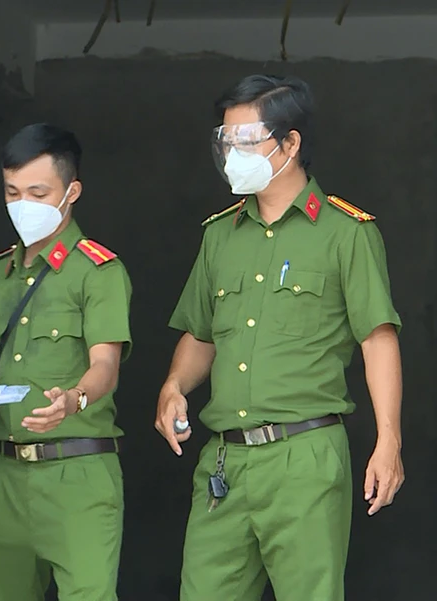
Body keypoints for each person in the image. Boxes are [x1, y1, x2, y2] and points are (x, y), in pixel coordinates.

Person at [155, 74, 405, 601]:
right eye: (226, 141)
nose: (233, 154)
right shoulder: (219, 235)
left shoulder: (346, 232)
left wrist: (389, 440)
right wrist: (174, 385)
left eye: (247, 140)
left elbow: (377, 339)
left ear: (290, 144)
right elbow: (201, 334)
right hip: (225, 461)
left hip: (304, 456)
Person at [0, 123, 133, 601]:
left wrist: (74, 399)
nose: (23, 205)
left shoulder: (98, 271)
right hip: (5, 474)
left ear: (71, 192)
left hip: (78, 470)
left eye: (38, 193)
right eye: (12, 192)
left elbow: (105, 366)